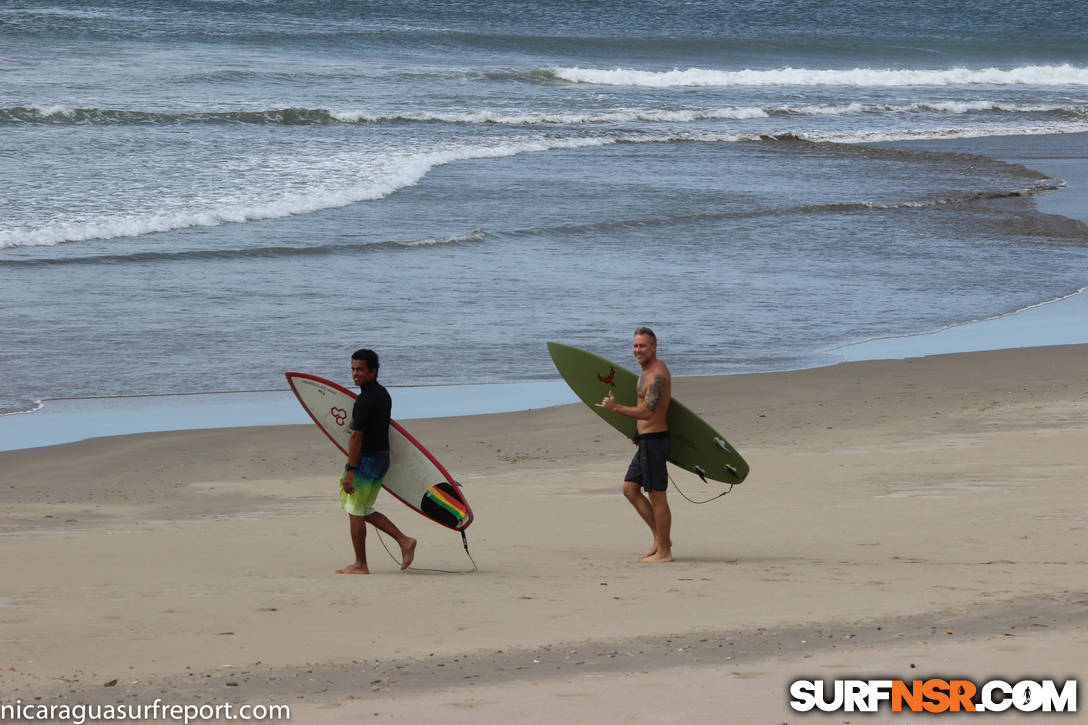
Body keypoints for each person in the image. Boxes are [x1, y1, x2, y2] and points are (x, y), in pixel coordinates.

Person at [336, 348, 417, 574]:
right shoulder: (382, 394)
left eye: (360, 369)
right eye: (352, 369)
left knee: (354, 510)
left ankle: (360, 564)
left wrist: (351, 469)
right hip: (381, 459)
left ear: (373, 370)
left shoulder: (364, 400)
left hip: (366, 462)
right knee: (363, 509)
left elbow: (356, 435)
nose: (355, 374)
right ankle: (404, 541)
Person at [597, 327, 673, 563]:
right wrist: (637, 434)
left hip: (656, 441)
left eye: (642, 346)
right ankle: (660, 539)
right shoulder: (645, 372)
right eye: (635, 346)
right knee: (630, 488)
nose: (637, 350)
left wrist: (615, 408)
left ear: (654, 347)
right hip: (646, 441)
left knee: (657, 496)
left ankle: (664, 552)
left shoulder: (657, 375)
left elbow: (647, 411)